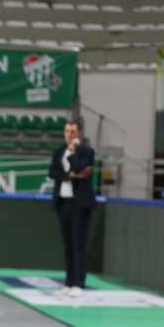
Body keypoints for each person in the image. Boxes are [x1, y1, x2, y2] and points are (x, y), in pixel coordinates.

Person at [47, 120, 96, 297]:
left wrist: (74, 153)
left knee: (79, 244)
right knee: (68, 245)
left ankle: (79, 283)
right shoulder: (58, 151)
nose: (69, 134)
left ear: (79, 133)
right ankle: (68, 282)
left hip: (80, 203)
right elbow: (52, 172)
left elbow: (80, 167)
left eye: (73, 131)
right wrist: (70, 175)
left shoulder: (87, 152)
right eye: (67, 131)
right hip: (63, 202)